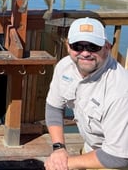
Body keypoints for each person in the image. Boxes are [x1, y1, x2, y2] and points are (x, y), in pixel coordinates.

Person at [45, 17, 128, 170]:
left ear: (107, 47)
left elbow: (118, 158)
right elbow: (54, 107)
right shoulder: (64, 66)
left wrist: (65, 163)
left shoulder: (120, 91)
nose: (85, 53)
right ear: (68, 46)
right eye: (78, 46)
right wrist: (59, 148)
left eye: (93, 46)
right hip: (91, 149)